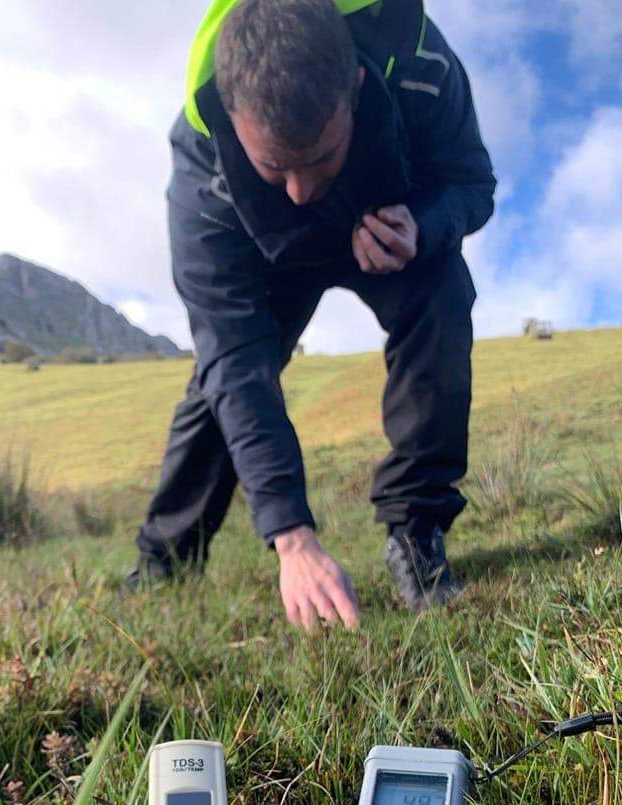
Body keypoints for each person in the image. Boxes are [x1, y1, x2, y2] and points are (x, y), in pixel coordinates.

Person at [127, 0, 495, 630]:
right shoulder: (200, 169)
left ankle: (417, 530)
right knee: (223, 383)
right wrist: (291, 536)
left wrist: (425, 225)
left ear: (354, 87)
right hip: (269, 255)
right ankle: (166, 560)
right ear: (230, 115)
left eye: (319, 158)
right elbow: (232, 355)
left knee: (442, 293)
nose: (300, 189)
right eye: (274, 167)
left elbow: (472, 184)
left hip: (384, 228)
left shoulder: (422, 66)